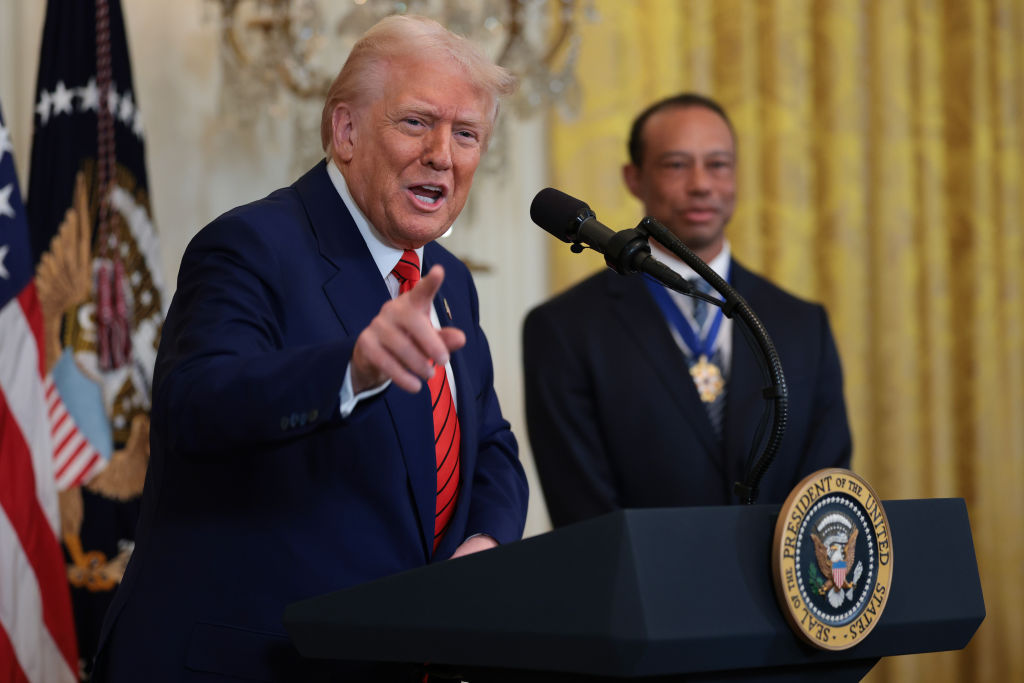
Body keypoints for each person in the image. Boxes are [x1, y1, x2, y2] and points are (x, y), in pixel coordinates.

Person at [94, 15, 528, 682]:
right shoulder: (251, 245)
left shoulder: (446, 278)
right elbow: (195, 406)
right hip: (249, 662)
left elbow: (488, 443)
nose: (442, 154)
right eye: (416, 122)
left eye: (466, 133)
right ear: (345, 131)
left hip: (388, 657)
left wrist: (486, 542)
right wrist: (350, 370)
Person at [523, 92, 851, 527]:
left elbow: (825, 489)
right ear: (634, 178)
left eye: (718, 164)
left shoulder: (803, 325)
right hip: (642, 571)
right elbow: (584, 512)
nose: (701, 184)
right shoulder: (565, 329)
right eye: (676, 165)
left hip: (780, 570)